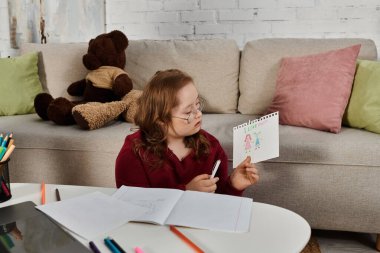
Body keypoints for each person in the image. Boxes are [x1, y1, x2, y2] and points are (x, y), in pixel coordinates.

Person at [115, 69, 259, 196]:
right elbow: (132, 205)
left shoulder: (211, 146)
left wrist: (233, 185)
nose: (198, 114)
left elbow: (220, 203)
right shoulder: (134, 152)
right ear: (159, 119)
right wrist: (186, 192)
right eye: (188, 112)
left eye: (198, 104)